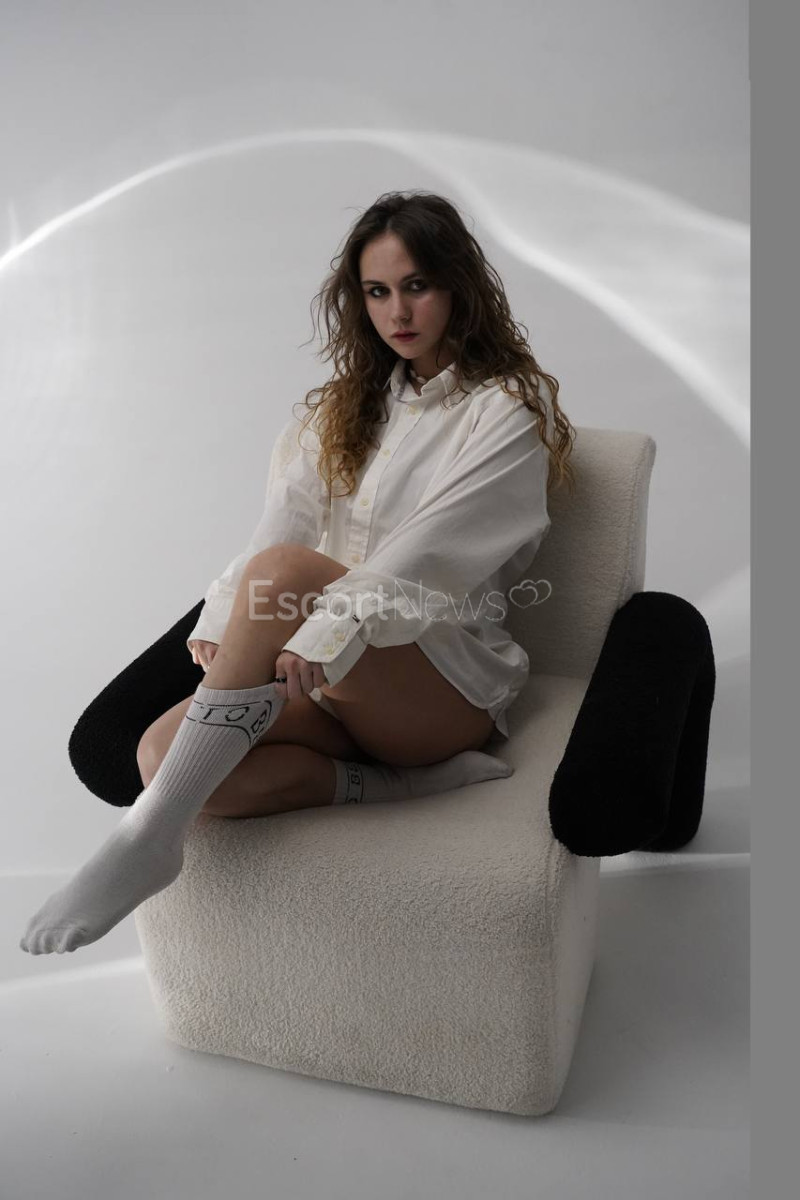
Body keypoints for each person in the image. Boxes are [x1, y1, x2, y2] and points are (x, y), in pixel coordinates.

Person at [20, 190, 576, 956]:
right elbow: (284, 520)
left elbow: (433, 551)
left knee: (286, 575)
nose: (397, 311)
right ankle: (389, 788)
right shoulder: (346, 408)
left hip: (438, 687)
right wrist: (228, 624)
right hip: (326, 682)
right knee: (159, 756)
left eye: (416, 285)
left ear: (458, 286)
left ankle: (147, 838)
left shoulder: (505, 406)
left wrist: (321, 629)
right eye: (377, 291)